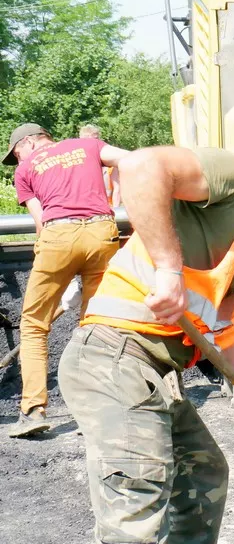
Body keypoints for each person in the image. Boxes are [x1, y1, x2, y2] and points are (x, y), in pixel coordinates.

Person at [58, 126, 234, 544]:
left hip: (153, 371)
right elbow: (140, 165)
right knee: (137, 504)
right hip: (115, 357)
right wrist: (168, 271)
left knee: (203, 476)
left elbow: (232, 336)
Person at [5, 123, 127, 438]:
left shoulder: (25, 170)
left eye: (17, 153)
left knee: (34, 325)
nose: (18, 160)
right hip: (102, 233)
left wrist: (55, 261)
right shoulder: (87, 146)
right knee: (98, 324)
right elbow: (132, 160)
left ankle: (33, 411)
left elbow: (40, 222)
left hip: (58, 236)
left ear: (29, 143)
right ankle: (98, 413)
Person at [79, 124, 121, 206]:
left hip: (107, 208)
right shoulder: (75, 165)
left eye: (96, 140)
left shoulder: (110, 165)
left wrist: (116, 210)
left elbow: (117, 189)